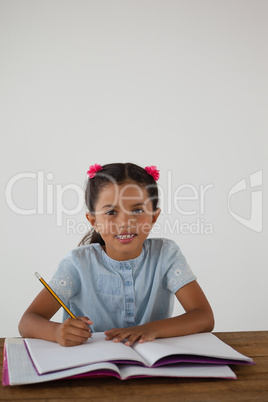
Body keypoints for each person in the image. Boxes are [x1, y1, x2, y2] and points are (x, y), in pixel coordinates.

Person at [19, 162, 214, 347]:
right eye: (111, 212)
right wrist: (56, 332)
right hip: (92, 366)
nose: (125, 223)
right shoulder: (78, 263)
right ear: (93, 220)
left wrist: (150, 329)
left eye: (137, 210)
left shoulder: (166, 254)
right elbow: (28, 321)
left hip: (152, 368)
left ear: (154, 217)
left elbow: (203, 317)